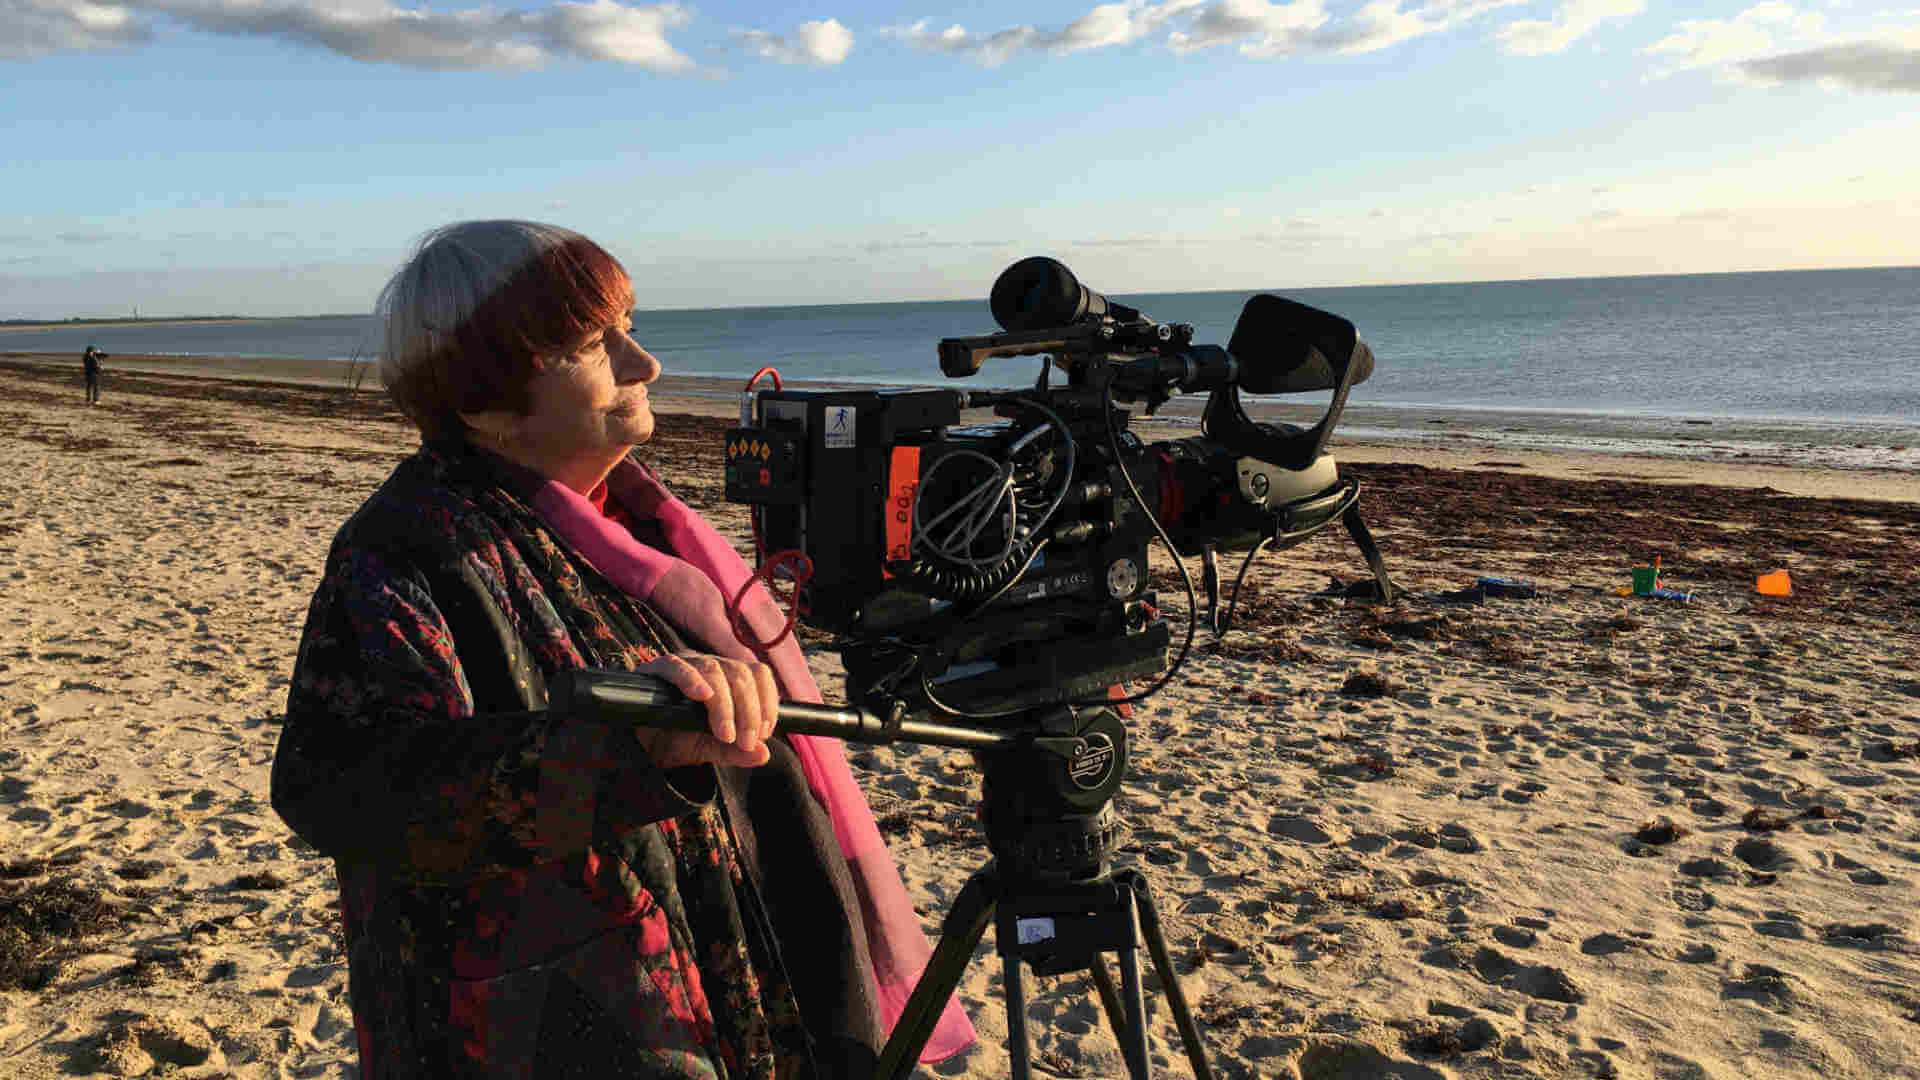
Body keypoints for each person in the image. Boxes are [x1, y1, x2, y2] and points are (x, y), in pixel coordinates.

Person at [270, 221, 974, 1078]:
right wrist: (616, 752)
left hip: (729, 968)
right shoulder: (408, 549)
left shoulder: (638, 524)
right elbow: (340, 787)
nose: (645, 365)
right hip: (557, 1025)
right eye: (594, 345)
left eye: (630, 327)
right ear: (484, 397)